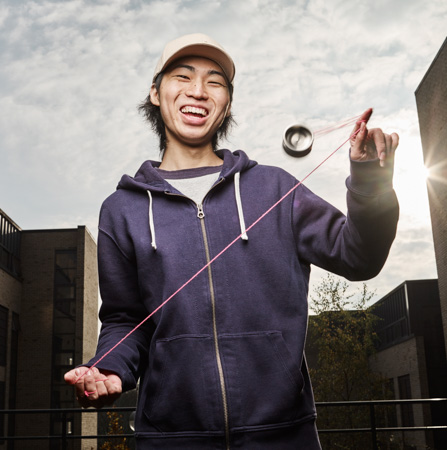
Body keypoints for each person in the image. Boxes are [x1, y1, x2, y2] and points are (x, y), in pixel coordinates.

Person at [65, 33, 399, 449]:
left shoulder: (273, 187)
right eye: (183, 76)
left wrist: (370, 180)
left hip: (284, 436)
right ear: (155, 93)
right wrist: (110, 368)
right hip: (170, 439)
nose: (198, 90)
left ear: (226, 103)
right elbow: (123, 320)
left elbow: (360, 256)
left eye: (215, 81)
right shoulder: (122, 209)